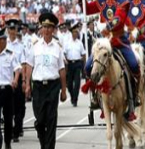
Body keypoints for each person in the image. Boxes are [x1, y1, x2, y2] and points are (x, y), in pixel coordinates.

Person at [82, 0, 140, 111]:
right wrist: (81, 0)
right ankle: (96, 96)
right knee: (89, 66)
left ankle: (134, 96)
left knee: (133, 64)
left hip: (119, 40)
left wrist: (106, 25)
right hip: (104, 42)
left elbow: (119, 19)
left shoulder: (124, 0)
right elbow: (89, 9)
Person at [25, 12, 67, 149]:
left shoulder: (58, 47)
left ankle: (49, 147)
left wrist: (64, 90)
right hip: (38, 87)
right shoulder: (35, 46)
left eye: (50, 27)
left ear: (53, 29)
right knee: (40, 120)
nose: (47, 30)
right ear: (41, 28)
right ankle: (44, 144)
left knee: (51, 119)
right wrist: (27, 85)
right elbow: (29, 66)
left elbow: (61, 70)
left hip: (53, 87)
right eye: (44, 27)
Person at [0, 27, 21, 149]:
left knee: (8, 118)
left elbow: (17, 69)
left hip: (7, 89)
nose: (4, 41)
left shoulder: (10, 54)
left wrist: (15, 79)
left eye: (4, 39)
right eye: (3, 39)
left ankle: (7, 142)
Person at [5, 19, 26, 143]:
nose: (12, 31)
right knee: (8, 106)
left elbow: (23, 64)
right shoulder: (3, 44)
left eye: (14, 29)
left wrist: (23, 80)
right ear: (7, 30)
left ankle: (16, 131)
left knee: (20, 106)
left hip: (18, 76)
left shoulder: (20, 46)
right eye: (10, 29)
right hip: (7, 77)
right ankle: (10, 128)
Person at [64, 22, 86, 107]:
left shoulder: (79, 43)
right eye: (74, 32)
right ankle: (72, 96)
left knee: (77, 84)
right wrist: (65, 65)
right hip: (69, 64)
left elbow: (83, 54)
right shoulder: (67, 43)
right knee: (69, 84)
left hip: (77, 64)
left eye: (76, 33)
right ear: (71, 33)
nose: (75, 34)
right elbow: (64, 54)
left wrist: (83, 66)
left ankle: (75, 100)